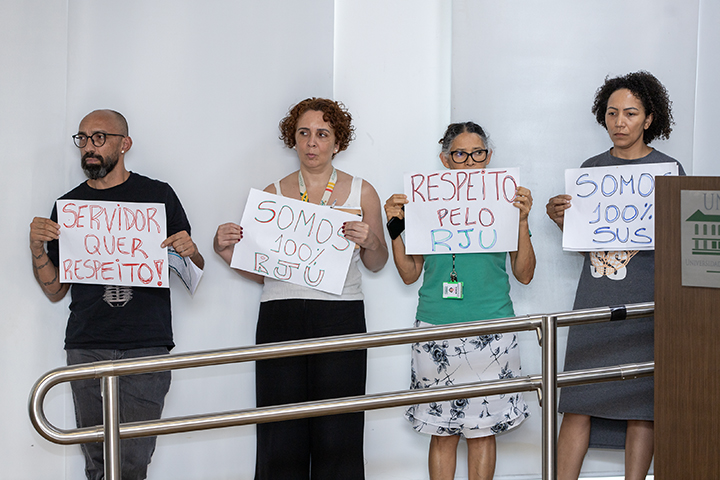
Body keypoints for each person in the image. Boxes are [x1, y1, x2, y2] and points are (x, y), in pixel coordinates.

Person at [213, 97, 387, 480]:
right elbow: (264, 271)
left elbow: (377, 263)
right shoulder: (270, 194)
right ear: (292, 140)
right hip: (281, 313)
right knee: (280, 428)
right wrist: (227, 252)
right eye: (303, 133)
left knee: (339, 429)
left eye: (322, 134)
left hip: (340, 313)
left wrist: (371, 241)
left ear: (337, 143)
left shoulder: (364, 193)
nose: (312, 142)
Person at [29, 109, 204, 480]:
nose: (88, 147)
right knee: (96, 458)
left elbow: (191, 271)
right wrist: (37, 250)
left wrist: (190, 250)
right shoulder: (69, 207)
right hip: (87, 342)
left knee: (133, 458)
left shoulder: (157, 196)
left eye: (99, 138)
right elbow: (56, 289)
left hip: (146, 343)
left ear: (124, 144)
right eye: (82, 138)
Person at [546, 71, 686, 480]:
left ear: (648, 118)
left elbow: (677, 237)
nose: (619, 122)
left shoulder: (669, 168)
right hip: (594, 299)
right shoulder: (590, 170)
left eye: (630, 113)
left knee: (643, 406)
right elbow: (585, 240)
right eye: (612, 113)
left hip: (648, 299)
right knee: (577, 400)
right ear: (602, 117)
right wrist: (561, 220)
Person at [385, 122, 535, 480]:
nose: (469, 162)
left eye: (478, 153)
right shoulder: (425, 204)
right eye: (460, 154)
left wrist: (522, 220)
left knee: (482, 433)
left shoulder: (507, 204)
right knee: (442, 432)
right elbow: (409, 274)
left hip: (493, 325)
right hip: (436, 325)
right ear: (445, 160)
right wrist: (394, 228)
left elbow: (525, 274)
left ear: (489, 158)